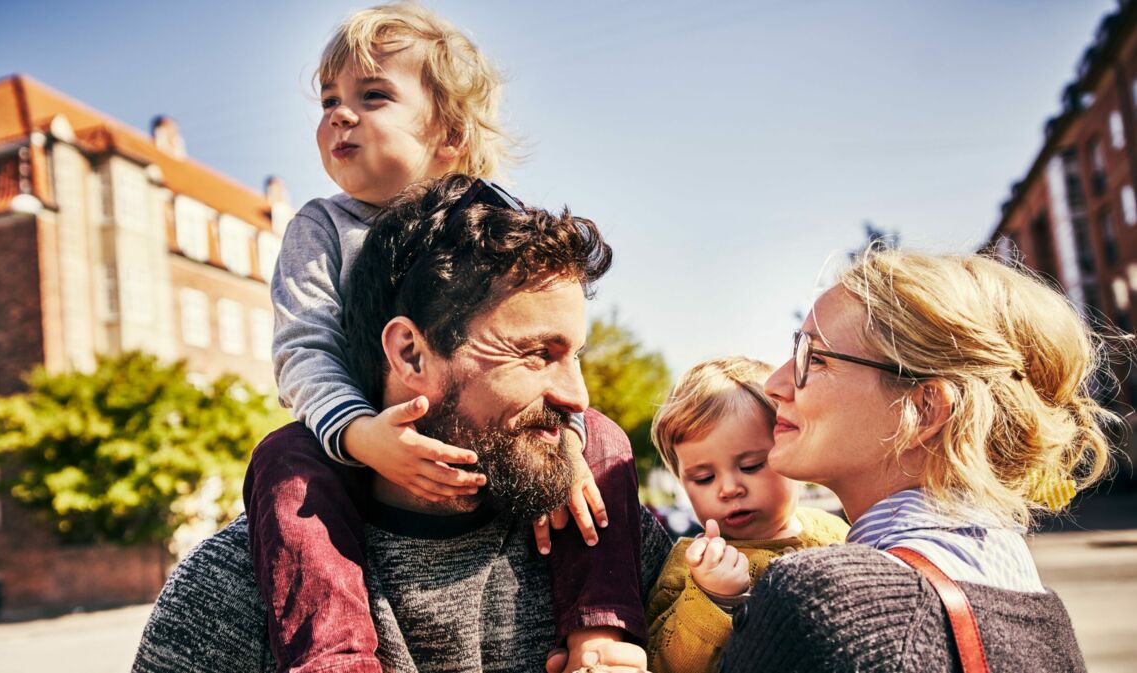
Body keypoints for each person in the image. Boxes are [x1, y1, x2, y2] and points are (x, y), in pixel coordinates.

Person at [134, 175, 672, 673]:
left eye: (575, 355)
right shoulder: (233, 588)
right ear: (410, 354)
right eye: (535, 353)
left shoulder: (615, 539)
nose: (578, 396)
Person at [252, 4, 646, 671]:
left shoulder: (494, 218)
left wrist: (566, 446)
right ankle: (335, 654)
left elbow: (540, 346)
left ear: (451, 133)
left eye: (371, 96)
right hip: (364, 441)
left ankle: (599, 632)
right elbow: (303, 348)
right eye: (328, 100)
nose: (338, 115)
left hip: (494, 437)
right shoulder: (320, 227)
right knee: (285, 459)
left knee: (602, 440)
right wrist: (360, 433)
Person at [720, 249, 1113, 672]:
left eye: (814, 359)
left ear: (924, 409)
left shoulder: (827, 600)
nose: (775, 383)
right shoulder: (1037, 607)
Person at [644, 356, 848, 673]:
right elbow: (660, 664)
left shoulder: (837, 531)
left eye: (751, 466)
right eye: (703, 478)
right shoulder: (689, 567)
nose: (729, 488)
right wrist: (712, 598)